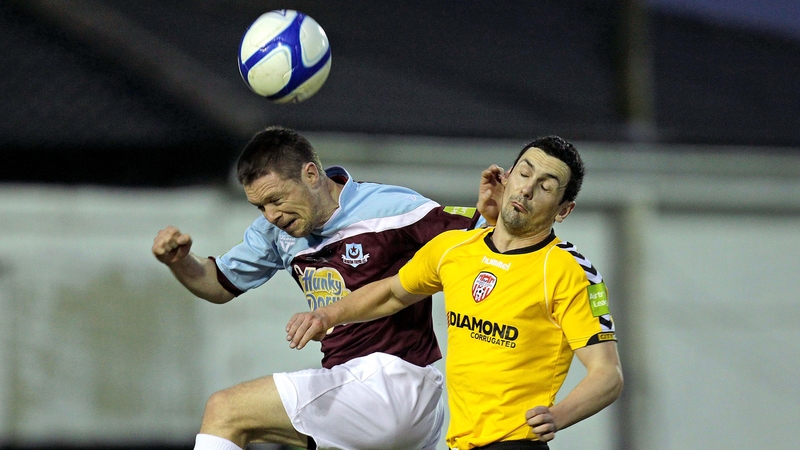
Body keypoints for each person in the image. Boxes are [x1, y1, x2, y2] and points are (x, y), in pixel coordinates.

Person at [152, 125, 499, 450]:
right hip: (363, 393)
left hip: (395, 381)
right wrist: (179, 261)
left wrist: (512, 207)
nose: (271, 215)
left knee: (224, 410)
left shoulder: (390, 209)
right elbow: (218, 284)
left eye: (276, 198)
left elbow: (485, 235)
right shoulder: (276, 233)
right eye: (260, 207)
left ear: (311, 174)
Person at [286, 136, 624, 449]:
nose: (527, 190)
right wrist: (326, 315)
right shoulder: (454, 248)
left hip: (517, 442)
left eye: (545, 187)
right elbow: (391, 293)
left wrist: (559, 416)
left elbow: (607, 376)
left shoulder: (567, 269)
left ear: (563, 210)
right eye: (523, 174)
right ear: (506, 178)